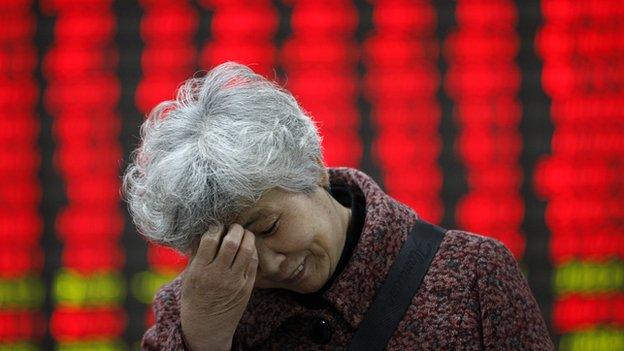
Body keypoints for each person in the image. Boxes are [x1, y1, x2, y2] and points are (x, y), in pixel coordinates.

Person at [122, 62, 554, 350]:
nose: (265, 262)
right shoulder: (188, 314)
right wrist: (204, 340)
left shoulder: (473, 274)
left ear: (312, 167)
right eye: (229, 248)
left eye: (269, 226)